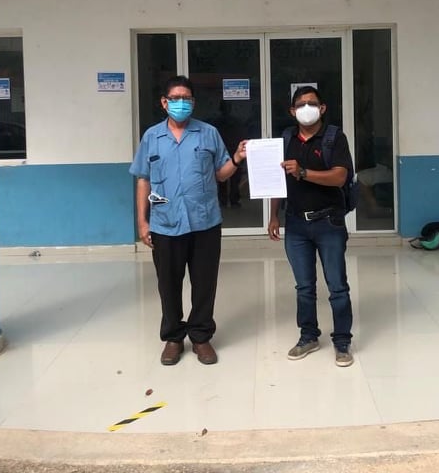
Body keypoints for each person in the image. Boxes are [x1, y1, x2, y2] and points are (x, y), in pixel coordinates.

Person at [129, 75, 247, 366]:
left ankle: (201, 337)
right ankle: (173, 338)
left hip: (204, 222)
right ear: (164, 102)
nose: (181, 103)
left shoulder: (208, 133)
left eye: (187, 99)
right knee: (168, 284)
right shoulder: (152, 137)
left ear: (193, 102)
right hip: (165, 223)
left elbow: (220, 174)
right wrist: (142, 222)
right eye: (176, 99)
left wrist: (236, 158)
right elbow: (143, 179)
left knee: (204, 283)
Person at [267, 86, 355, 368]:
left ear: (322, 108)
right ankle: (308, 336)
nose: (307, 108)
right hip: (295, 224)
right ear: (292, 111)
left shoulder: (334, 138)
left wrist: (303, 172)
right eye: (301, 104)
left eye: (312, 103)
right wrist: (274, 215)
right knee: (304, 286)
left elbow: (339, 177)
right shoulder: (286, 139)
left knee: (337, 285)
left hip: (329, 222)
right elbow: (277, 180)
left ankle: (342, 341)